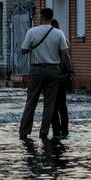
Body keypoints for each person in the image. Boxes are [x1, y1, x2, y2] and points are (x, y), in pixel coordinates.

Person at [19, 8, 73, 140]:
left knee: (31, 100)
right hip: (53, 70)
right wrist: (70, 71)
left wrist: (32, 48)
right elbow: (65, 54)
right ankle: (44, 133)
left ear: (40, 17)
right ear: (51, 17)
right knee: (49, 103)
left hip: (36, 70)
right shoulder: (59, 33)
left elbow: (23, 50)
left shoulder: (32, 32)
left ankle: (24, 131)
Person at [49, 19, 71, 138]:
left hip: (52, 76)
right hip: (62, 76)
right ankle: (65, 130)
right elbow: (67, 57)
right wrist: (70, 71)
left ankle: (56, 131)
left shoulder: (51, 40)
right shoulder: (64, 39)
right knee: (62, 105)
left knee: (53, 105)